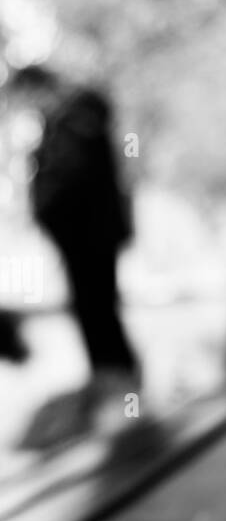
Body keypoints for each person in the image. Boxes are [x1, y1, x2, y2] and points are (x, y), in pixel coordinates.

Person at [10, 65, 139, 388]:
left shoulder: (76, 117)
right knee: (92, 309)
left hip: (90, 236)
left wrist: (49, 207)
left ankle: (120, 386)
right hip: (79, 238)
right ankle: (112, 381)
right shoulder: (62, 124)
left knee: (98, 309)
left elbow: (73, 181)